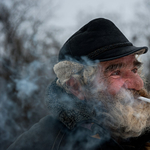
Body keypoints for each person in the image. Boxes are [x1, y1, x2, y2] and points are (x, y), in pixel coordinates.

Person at [7, 18, 150, 150]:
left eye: (134, 69)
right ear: (76, 87)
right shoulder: (41, 143)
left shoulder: (140, 130)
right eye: (116, 72)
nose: (138, 84)